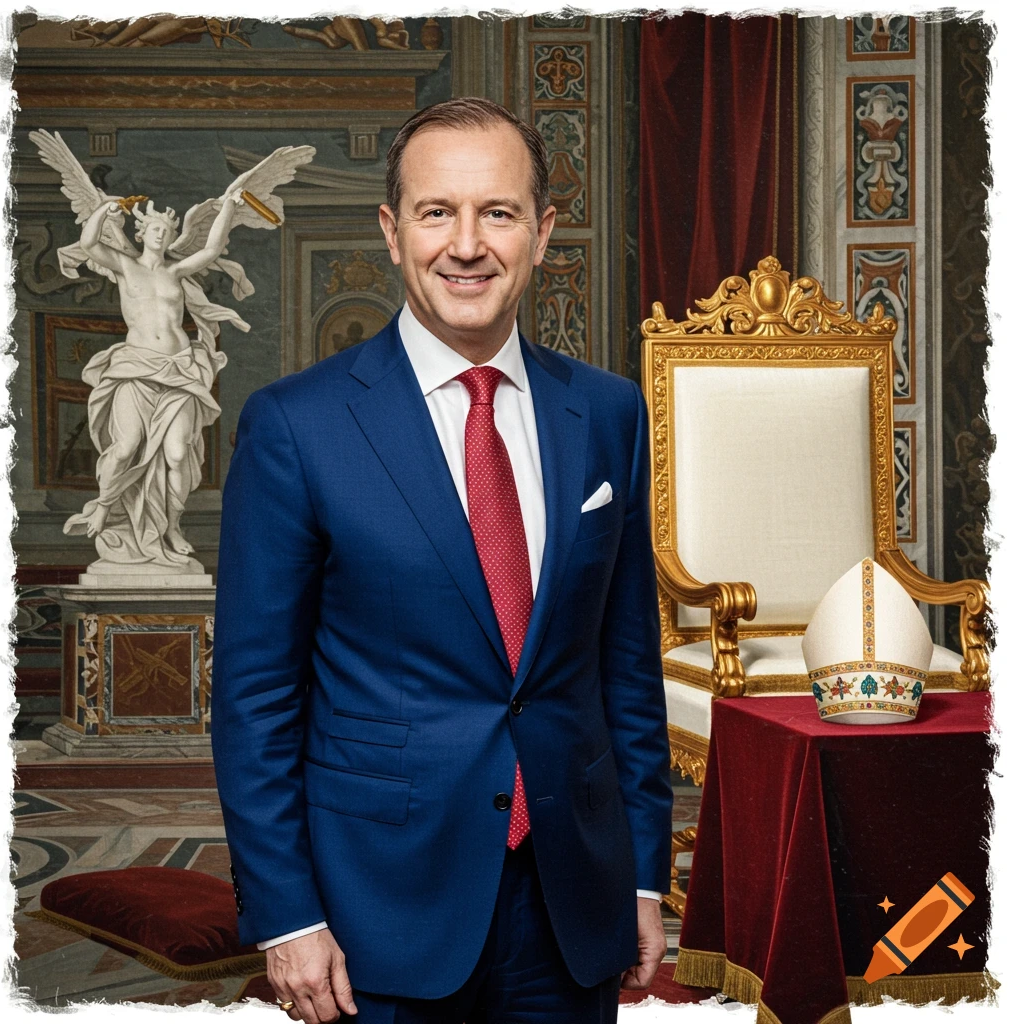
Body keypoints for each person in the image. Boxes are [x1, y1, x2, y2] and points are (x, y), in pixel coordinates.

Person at [212, 97, 672, 1024]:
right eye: (436, 212)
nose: (467, 245)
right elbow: (253, 697)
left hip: (572, 900)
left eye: (497, 213)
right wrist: (288, 915)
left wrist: (642, 877)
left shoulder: (610, 414)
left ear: (541, 234)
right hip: (376, 910)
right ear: (392, 231)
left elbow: (625, 665)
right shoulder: (297, 427)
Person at [63, 194, 242, 566]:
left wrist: (229, 206)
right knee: (126, 445)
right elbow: (88, 243)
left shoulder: (175, 273)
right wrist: (103, 210)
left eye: (167, 231)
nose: (161, 235)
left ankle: (170, 526)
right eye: (155, 229)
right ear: (142, 233)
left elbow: (210, 249)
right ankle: (103, 506)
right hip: (136, 367)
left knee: (178, 453)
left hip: (179, 369)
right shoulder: (126, 267)